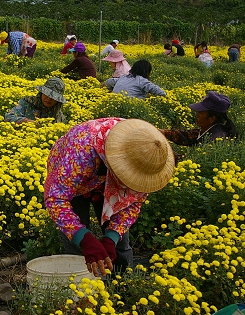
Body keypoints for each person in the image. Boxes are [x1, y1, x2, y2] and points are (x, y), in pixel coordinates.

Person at [44, 118, 175, 277]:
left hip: (99, 173)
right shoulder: (81, 151)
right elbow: (56, 198)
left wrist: (111, 238)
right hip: (75, 177)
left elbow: (132, 204)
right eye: (127, 176)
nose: (132, 181)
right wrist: (84, 239)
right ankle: (78, 287)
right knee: (78, 245)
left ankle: (122, 286)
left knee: (120, 244)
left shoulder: (146, 162)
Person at [161, 91, 238, 146]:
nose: (196, 115)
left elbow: (197, 161)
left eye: (200, 112)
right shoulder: (207, 130)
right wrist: (163, 132)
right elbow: (186, 136)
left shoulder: (216, 141)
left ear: (212, 118)